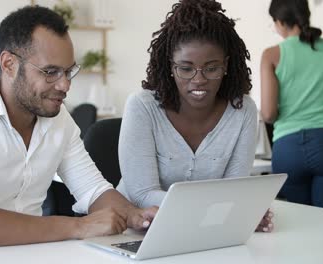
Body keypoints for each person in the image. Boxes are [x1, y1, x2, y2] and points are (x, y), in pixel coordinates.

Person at [0, 5, 157, 248]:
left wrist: (135, 215)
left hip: (31, 253)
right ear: (9, 64)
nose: (65, 85)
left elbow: (93, 190)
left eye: (68, 72)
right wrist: (79, 226)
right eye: (50, 72)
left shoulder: (60, 120)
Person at [116, 0, 273, 232]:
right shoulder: (142, 106)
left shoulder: (244, 110)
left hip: (204, 230)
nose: (198, 80)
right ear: (171, 66)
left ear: (226, 65)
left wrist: (243, 210)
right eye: (186, 69)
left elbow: (234, 189)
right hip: (138, 229)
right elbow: (141, 194)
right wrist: (234, 209)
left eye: (211, 68)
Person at [260, 0, 323, 210]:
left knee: (300, 226)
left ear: (280, 22)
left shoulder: (271, 55)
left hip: (289, 150)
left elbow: (268, 113)